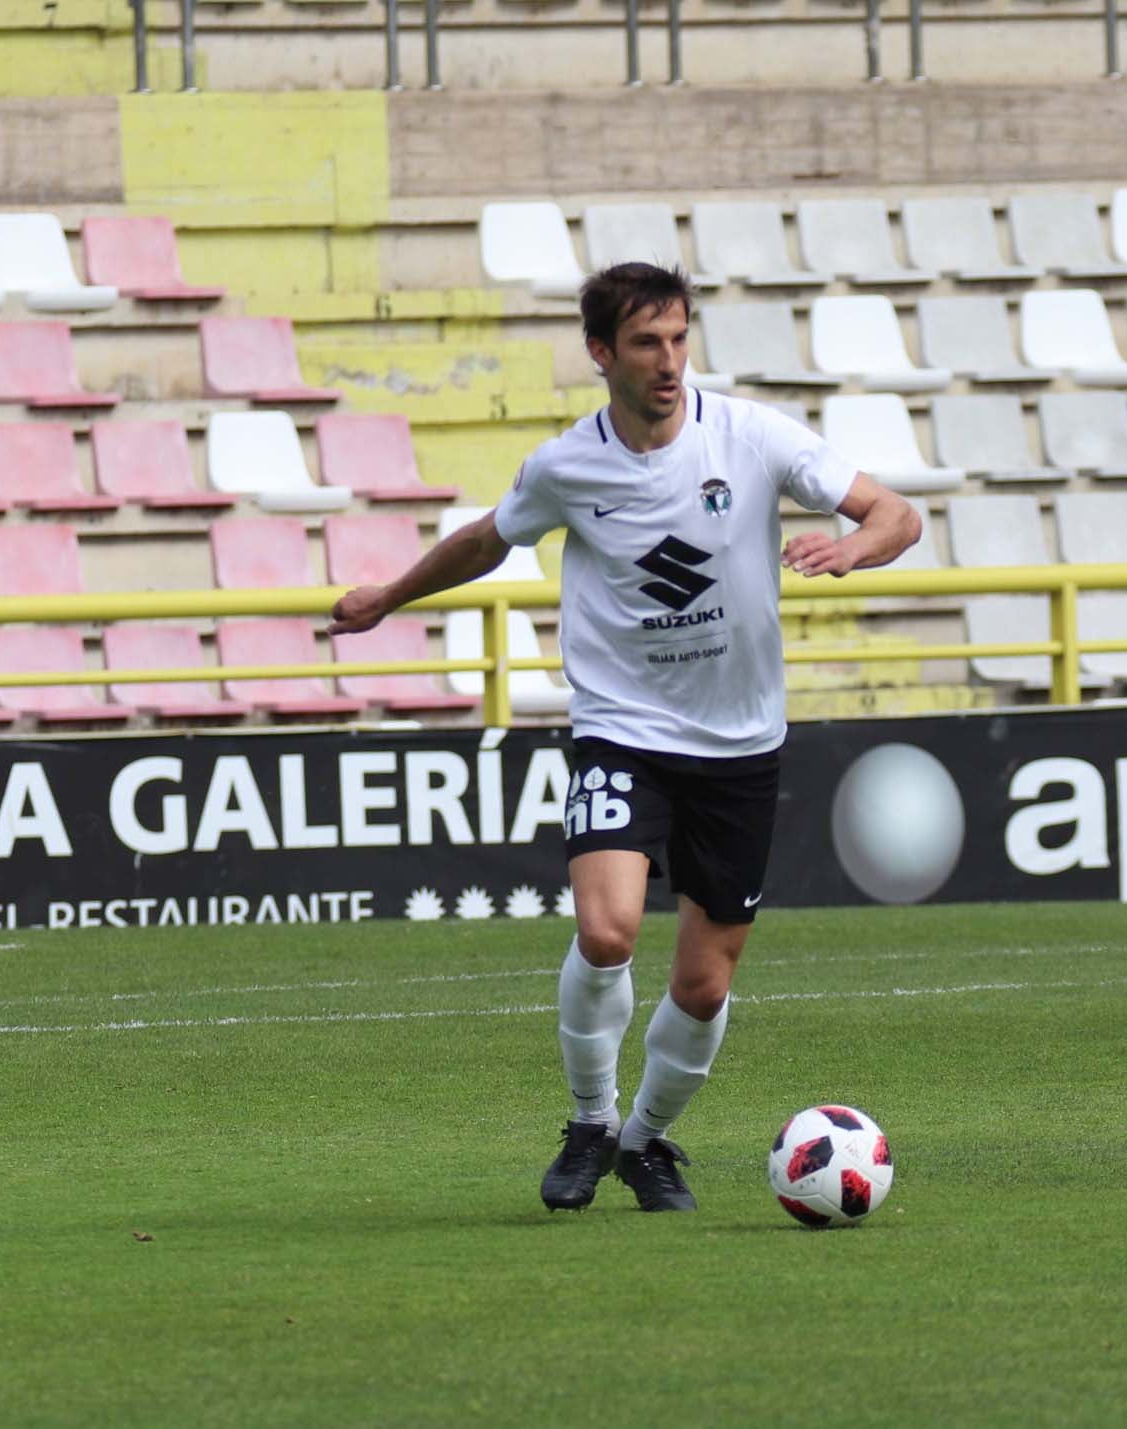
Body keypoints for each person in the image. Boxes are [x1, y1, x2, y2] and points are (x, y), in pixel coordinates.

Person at [330, 263, 920, 1213]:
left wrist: (853, 547)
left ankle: (645, 1142)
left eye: (680, 339)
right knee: (606, 931)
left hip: (738, 745)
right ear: (601, 352)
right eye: (647, 343)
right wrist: (389, 595)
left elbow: (897, 512)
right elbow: (489, 537)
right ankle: (591, 1120)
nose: (669, 362)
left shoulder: (752, 436)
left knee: (701, 982)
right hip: (624, 731)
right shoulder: (568, 464)